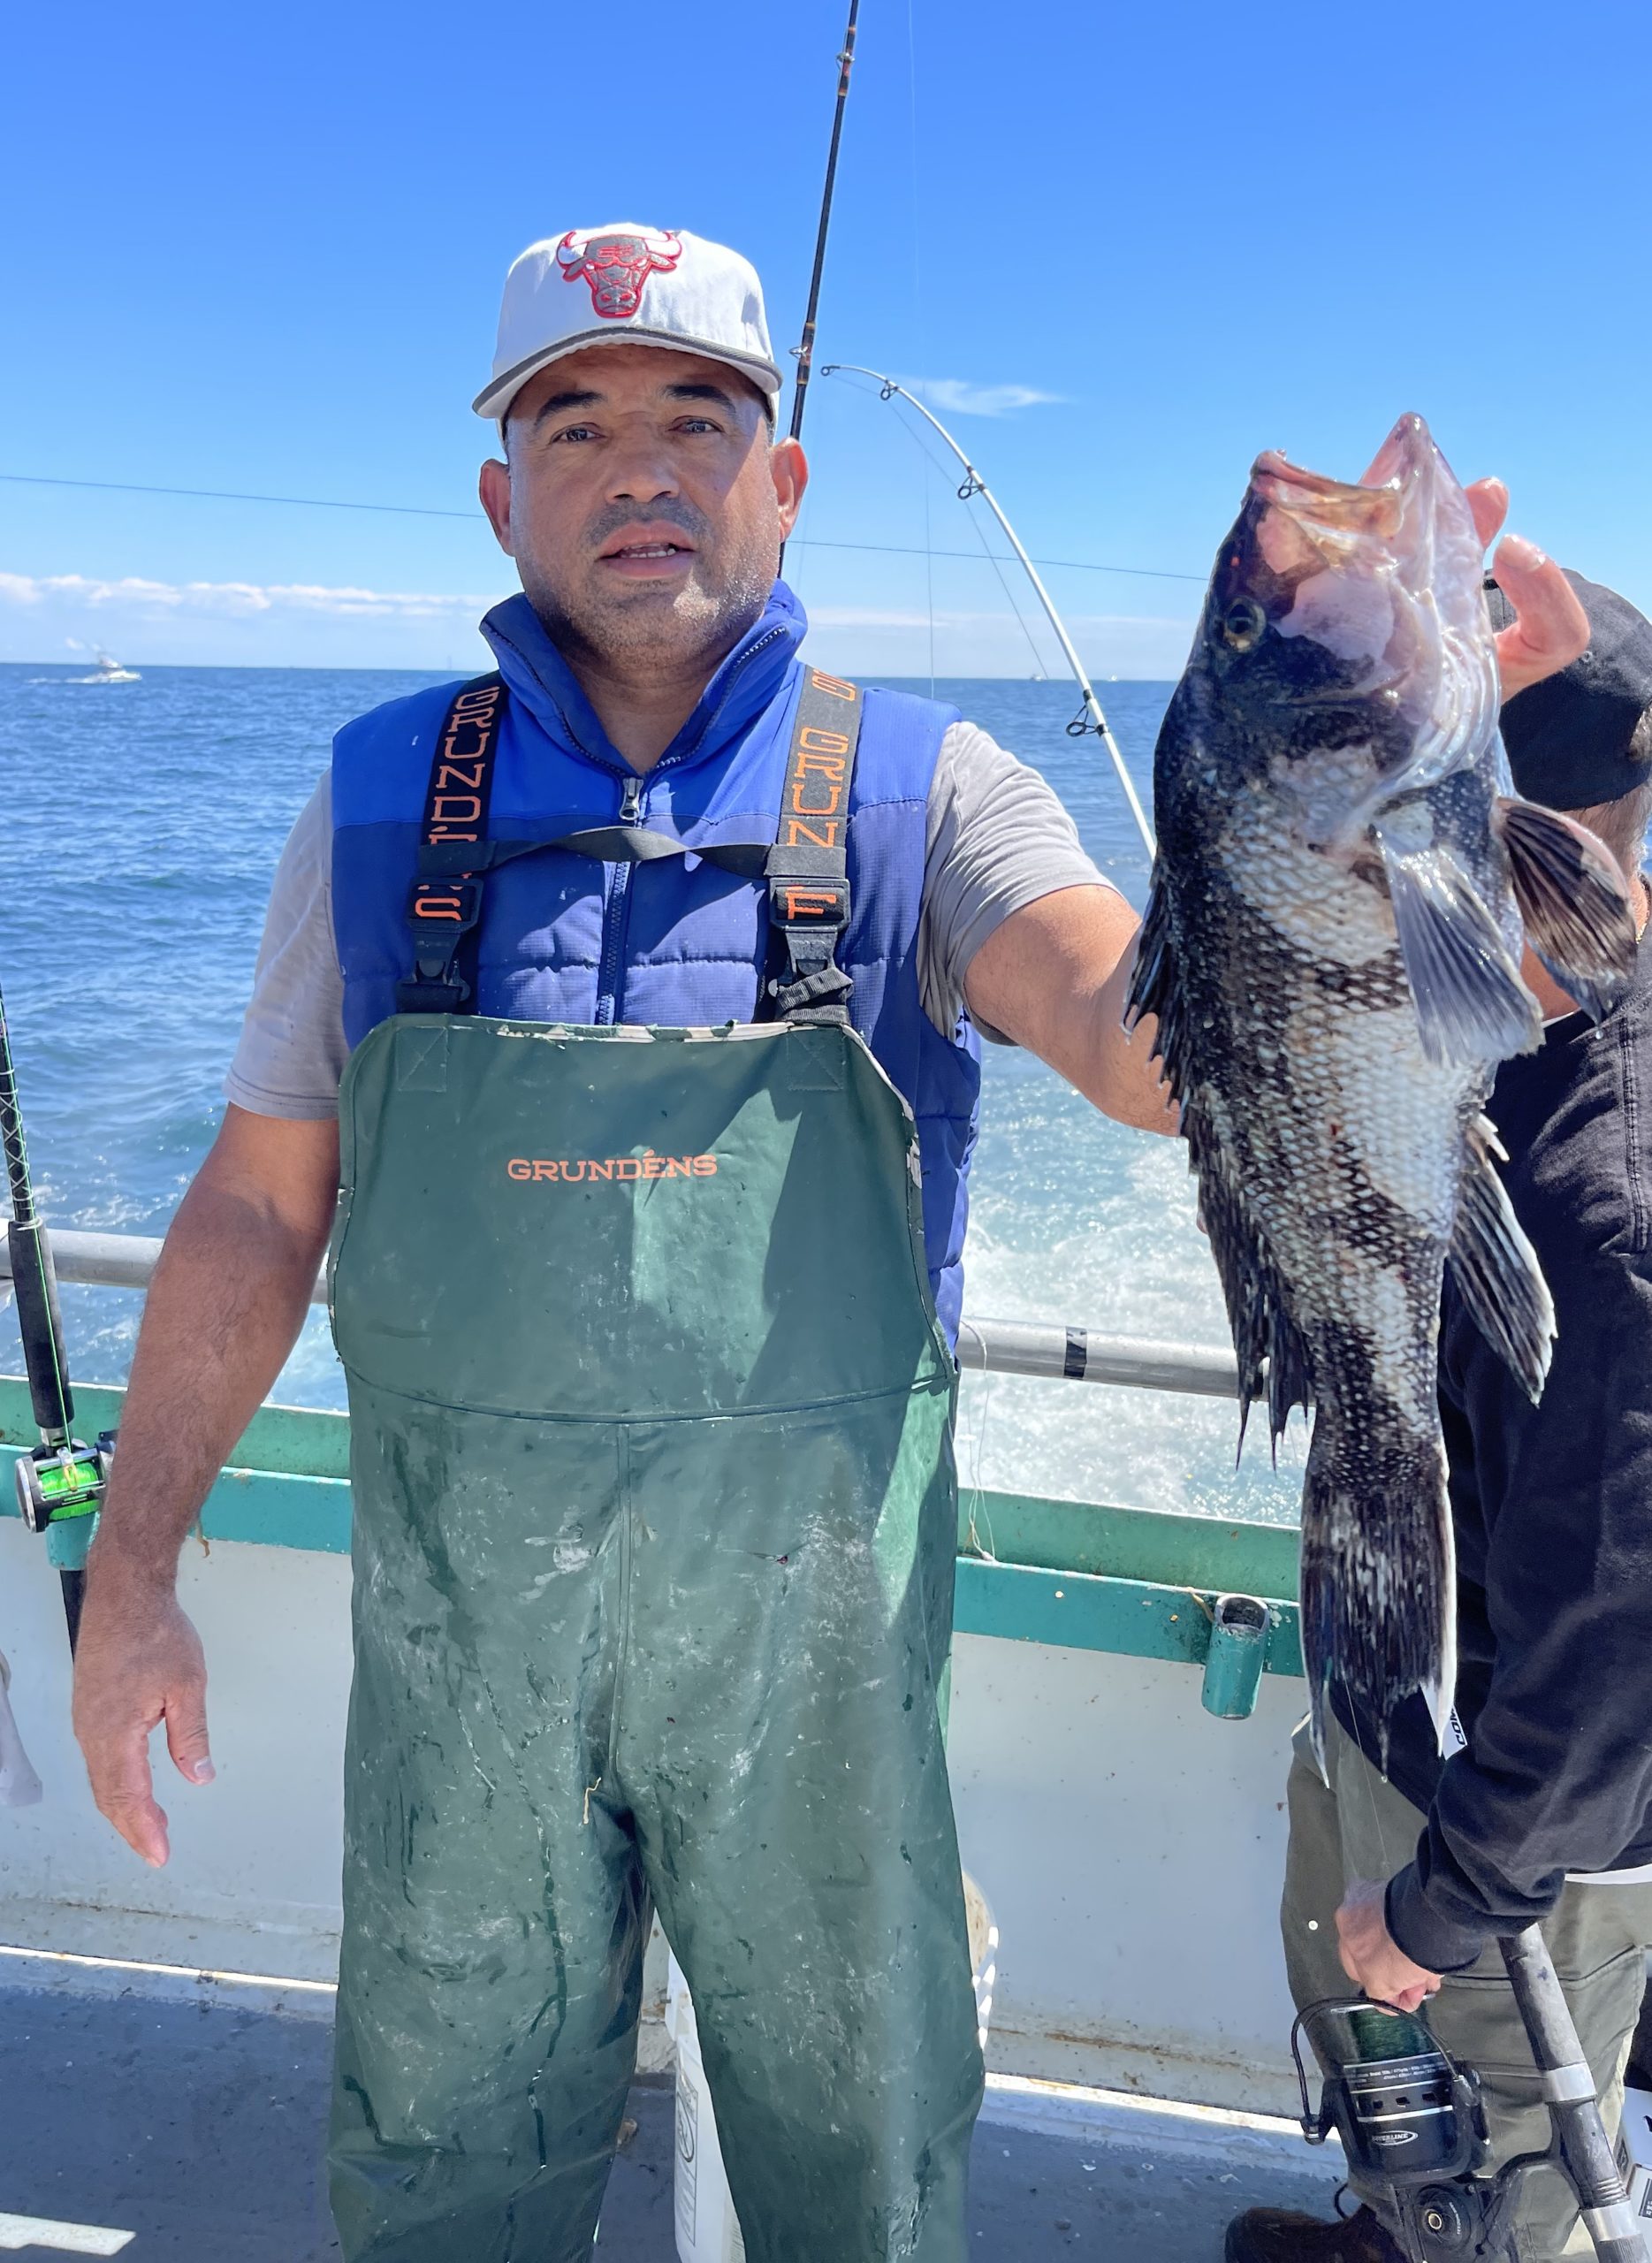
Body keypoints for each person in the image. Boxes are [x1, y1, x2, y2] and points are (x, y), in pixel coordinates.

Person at [65, 218, 1583, 2263]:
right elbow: (256, 1203)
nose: (640, 466)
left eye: (699, 418)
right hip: (457, 1665)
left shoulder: (919, 789)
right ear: (500, 493)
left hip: (820, 1674)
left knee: (854, 2164)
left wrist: (1404, 810)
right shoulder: (366, 802)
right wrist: (137, 1567)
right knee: (436, 2148)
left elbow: (1154, 1060)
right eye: (574, 422)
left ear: (780, 481)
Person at [1228, 575, 1652, 2263]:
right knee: (1401, 2128)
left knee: (1504, 2188)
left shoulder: (1607, 1199)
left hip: (1517, 1831)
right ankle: (1385, 2224)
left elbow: (1620, 1633)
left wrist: (1449, 1897)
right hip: (1406, 1713)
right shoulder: (1475, 1048)